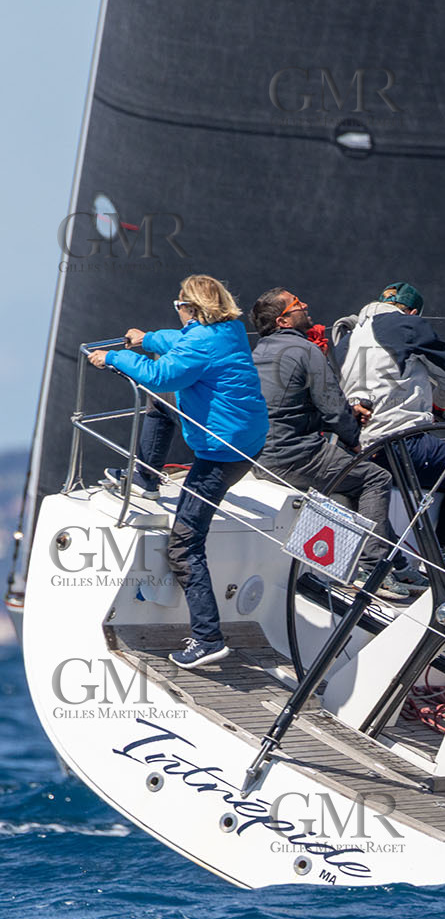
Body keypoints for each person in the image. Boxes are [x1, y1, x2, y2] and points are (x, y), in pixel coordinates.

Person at [90, 275, 268, 669]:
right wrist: (148, 339)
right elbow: (182, 345)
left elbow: (162, 375)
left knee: (184, 545)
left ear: (190, 308)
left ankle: (208, 639)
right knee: (163, 404)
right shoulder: (228, 330)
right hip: (245, 439)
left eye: (179, 306)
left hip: (222, 452)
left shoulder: (203, 342)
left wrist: (113, 357)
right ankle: (145, 479)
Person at [248, 288, 424, 602]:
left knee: (349, 481)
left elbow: (285, 410)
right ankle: (371, 571)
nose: (306, 305)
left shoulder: (259, 352)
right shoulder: (305, 351)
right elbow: (332, 409)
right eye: (298, 304)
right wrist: (354, 437)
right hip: (294, 456)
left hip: (262, 456)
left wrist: (340, 416)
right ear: (283, 319)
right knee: (374, 478)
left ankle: (394, 564)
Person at [333, 281, 445, 556]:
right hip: (402, 446)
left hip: (363, 451)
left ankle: (437, 553)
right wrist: (437, 407)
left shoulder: (347, 341)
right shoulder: (407, 327)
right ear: (412, 312)